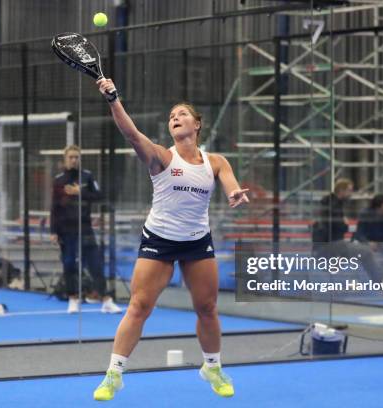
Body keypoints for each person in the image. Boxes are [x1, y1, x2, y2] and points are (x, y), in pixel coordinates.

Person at [92, 78, 249, 401]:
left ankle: (212, 367)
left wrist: (234, 193)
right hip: (159, 240)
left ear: (197, 124)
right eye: (171, 116)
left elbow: (230, 183)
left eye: (182, 114)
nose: (175, 118)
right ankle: (113, 374)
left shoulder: (215, 161)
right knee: (139, 306)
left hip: (196, 241)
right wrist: (113, 100)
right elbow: (131, 134)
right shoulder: (162, 157)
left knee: (207, 307)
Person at [50, 145, 121, 314]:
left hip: (86, 229)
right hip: (66, 231)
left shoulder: (87, 177)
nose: (74, 160)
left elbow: (99, 196)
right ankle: (73, 299)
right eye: (71, 157)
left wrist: (80, 192)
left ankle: (106, 300)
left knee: (95, 264)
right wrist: (53, 231)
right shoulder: (58, 180)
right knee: (68, 265)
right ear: (65, 160)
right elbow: (54, 208)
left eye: (76, 157)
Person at [311, 179, 383, 287]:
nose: (351, 194)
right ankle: (381, 280)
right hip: (331, 244)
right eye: (349, 191)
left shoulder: (330, 203)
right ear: (341, 190)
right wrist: (345, 224)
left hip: (330, 243)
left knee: (367, 250)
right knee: (365, 251)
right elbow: (338, 228)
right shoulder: (334, 205)